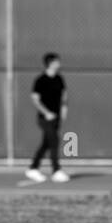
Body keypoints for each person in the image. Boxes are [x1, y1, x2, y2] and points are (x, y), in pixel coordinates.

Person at [25, 53, 69, 183]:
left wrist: (64, 110)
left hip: (56, 117)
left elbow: (64, 96)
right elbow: (35, 99)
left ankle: (33, 168)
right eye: (56, 62)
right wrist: (46, 113)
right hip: (44, 119)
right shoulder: (41, 80)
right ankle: (56, 171)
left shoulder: (59, 79)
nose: (59, 64)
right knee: (54, 142)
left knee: (46, 144)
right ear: (50, 63)